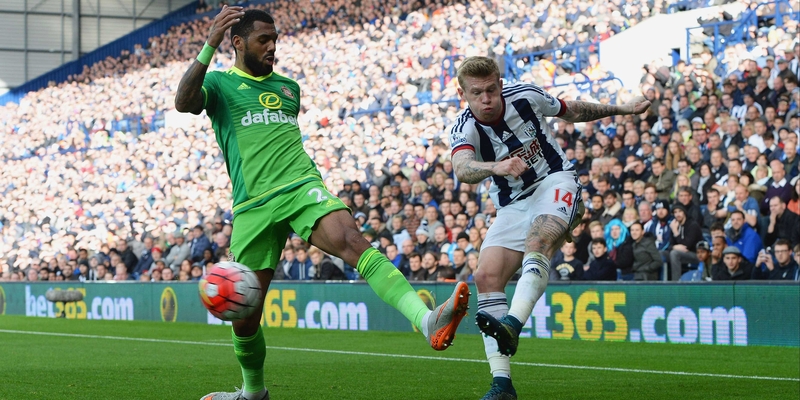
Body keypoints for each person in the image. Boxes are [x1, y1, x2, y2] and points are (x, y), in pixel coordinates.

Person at [175, 8, 470, 400]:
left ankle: (427, 319)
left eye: (275, 38)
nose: (272, 46)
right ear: (237, 43)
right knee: (245, 317)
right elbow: (183, 102)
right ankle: (253, 393)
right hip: (252, 206)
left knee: (351, 239)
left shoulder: (288, 89)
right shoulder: (220, 84)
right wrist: (209, 43)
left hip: (301, 186)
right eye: (263, 39)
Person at [447, 56, 649, 399]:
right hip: (512, 202)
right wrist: (496, 166)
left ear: (500, 82)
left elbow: (573, 110)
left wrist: (624, 110)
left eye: (492, 90)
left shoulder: (525, 96)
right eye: (477, 93)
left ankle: (511, 324)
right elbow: (462, 169)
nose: (486, 99)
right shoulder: (464, 127)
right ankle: (502, 384)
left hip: (555, 181)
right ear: (462, 93)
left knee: (538, 240)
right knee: (486, 277)